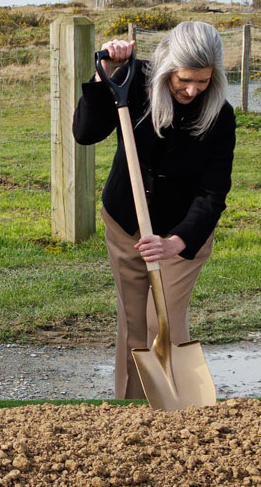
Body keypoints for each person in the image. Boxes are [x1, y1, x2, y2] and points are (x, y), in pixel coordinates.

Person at [71, 22, 237, 400]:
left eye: (203, 81)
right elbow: (84, 132)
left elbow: (213, 193)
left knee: (161, 321)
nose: (192, 90)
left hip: (182, 234)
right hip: (127, 223)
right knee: (133, 324)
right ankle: (131, 412)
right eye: (184, 80)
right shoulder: (133, 83)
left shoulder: (220, 116)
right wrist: (106, 74)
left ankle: (178, 410)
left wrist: (176, 242)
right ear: (167, 69)